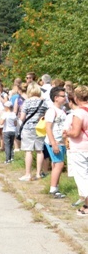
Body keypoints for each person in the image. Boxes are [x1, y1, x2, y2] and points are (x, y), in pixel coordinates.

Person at [64, 86, 88, 215]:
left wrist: (68, 132)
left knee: (82, 177)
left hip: (80, 149)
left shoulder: (78, 113)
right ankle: (86, 205)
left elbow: (76, 133)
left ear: (77, 99)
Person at [19, 83, 48, 181]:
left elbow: (22, 117)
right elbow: (45, 116)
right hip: (40, 128)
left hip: (28, 128)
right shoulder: (43, 103)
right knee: (40, 150)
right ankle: (38, 174)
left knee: (29, 151)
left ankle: (28, 174)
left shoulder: (26, 102)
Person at [45, 87, 68, 198]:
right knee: (59, 164)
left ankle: (55, 187)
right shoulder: (51, 111)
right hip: (54, 141)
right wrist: (53, 143)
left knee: (56, 164)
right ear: (56, 98)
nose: (65, 98)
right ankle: (53, 189)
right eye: (63, 96)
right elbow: (48, 128)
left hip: (61, 141)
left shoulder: (62, 110)